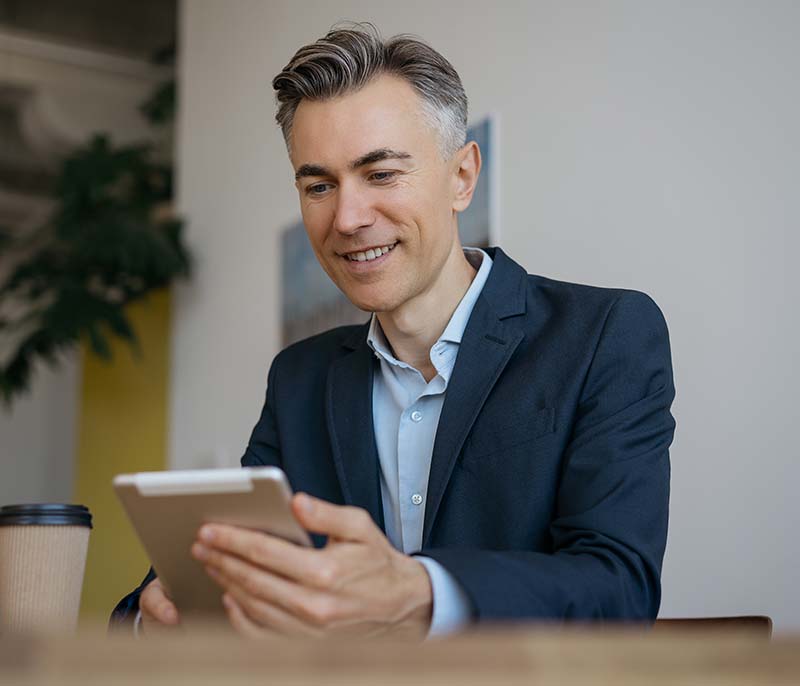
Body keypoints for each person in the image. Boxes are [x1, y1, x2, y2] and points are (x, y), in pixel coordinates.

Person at [112, 23, 675, 639]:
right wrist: (153, 614)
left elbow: (619, 589)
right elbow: (171, 590)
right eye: (319, 185)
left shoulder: (604, 335)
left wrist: (421, 592)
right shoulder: (299, 378)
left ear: (462, 177)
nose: (347, 218)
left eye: (380, 174)